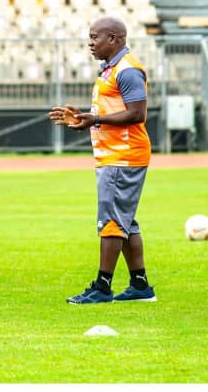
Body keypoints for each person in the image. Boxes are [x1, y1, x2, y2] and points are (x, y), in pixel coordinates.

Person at [49, 16, 156, 305]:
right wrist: (87, 117)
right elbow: (115, 111)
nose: (90, 42)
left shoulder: (128, 70)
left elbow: (137, 114)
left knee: (111, 222)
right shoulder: (110, 69)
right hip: (115, 154)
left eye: (95, 37)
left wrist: (95, 119)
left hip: (123, 156)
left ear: (115, 39)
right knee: (125, 222)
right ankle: (140, 285)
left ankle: (102, 287)